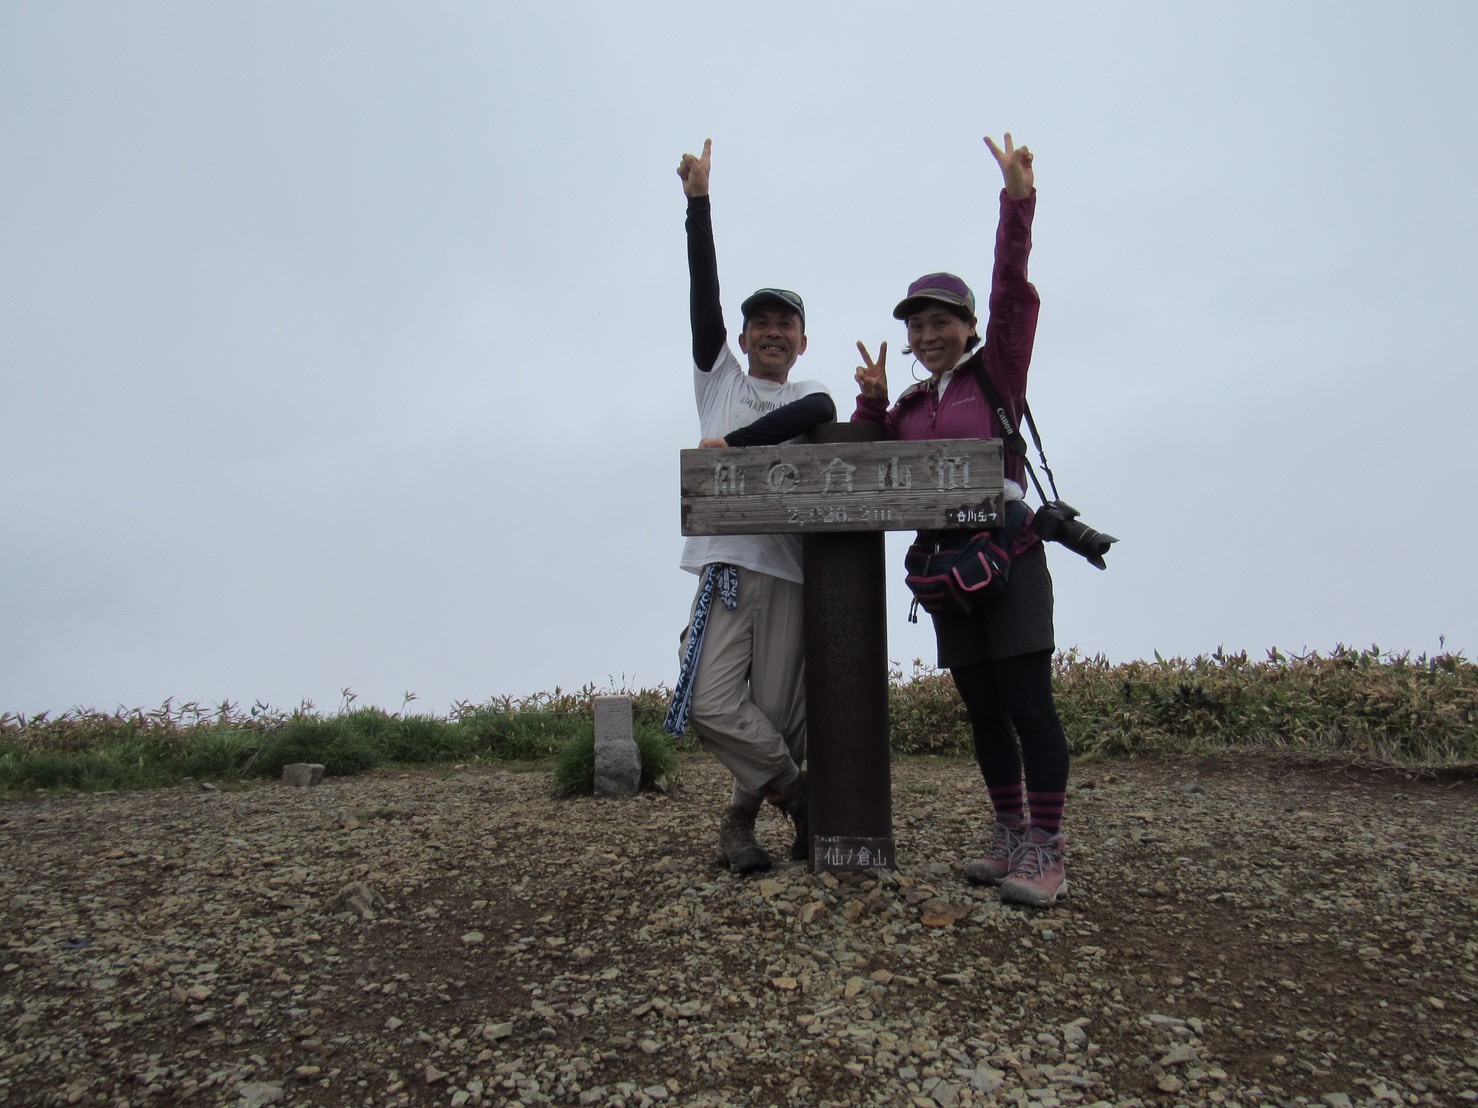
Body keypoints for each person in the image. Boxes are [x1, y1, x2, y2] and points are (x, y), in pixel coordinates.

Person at [852, 132, 1070, 907]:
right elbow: (878, 471)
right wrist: (874, 402)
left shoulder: (998, 372)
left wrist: (1017, 203)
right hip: (947, 569)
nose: (927, 333)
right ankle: (1008, 833)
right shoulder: (911, 407)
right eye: (917, 324)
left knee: (1027, 704)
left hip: (1010, 554)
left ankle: (1046, 849)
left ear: (969, 326)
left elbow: (1014, 291)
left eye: (941, 319)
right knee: (981, 710)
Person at [666, 138, 837, 874]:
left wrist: (731, 445)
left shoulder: (809, 399)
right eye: (759, 323)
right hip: (728, 567)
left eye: (784, 325)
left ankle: (739, 822)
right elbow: (702, 293)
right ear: (741, 338)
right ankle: (799, 799)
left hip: (791, 573)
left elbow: (830, 405)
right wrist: (697, 205)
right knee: (708, 701)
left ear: (801, 341)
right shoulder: (720, 378)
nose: (771, 332)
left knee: (776, 715)